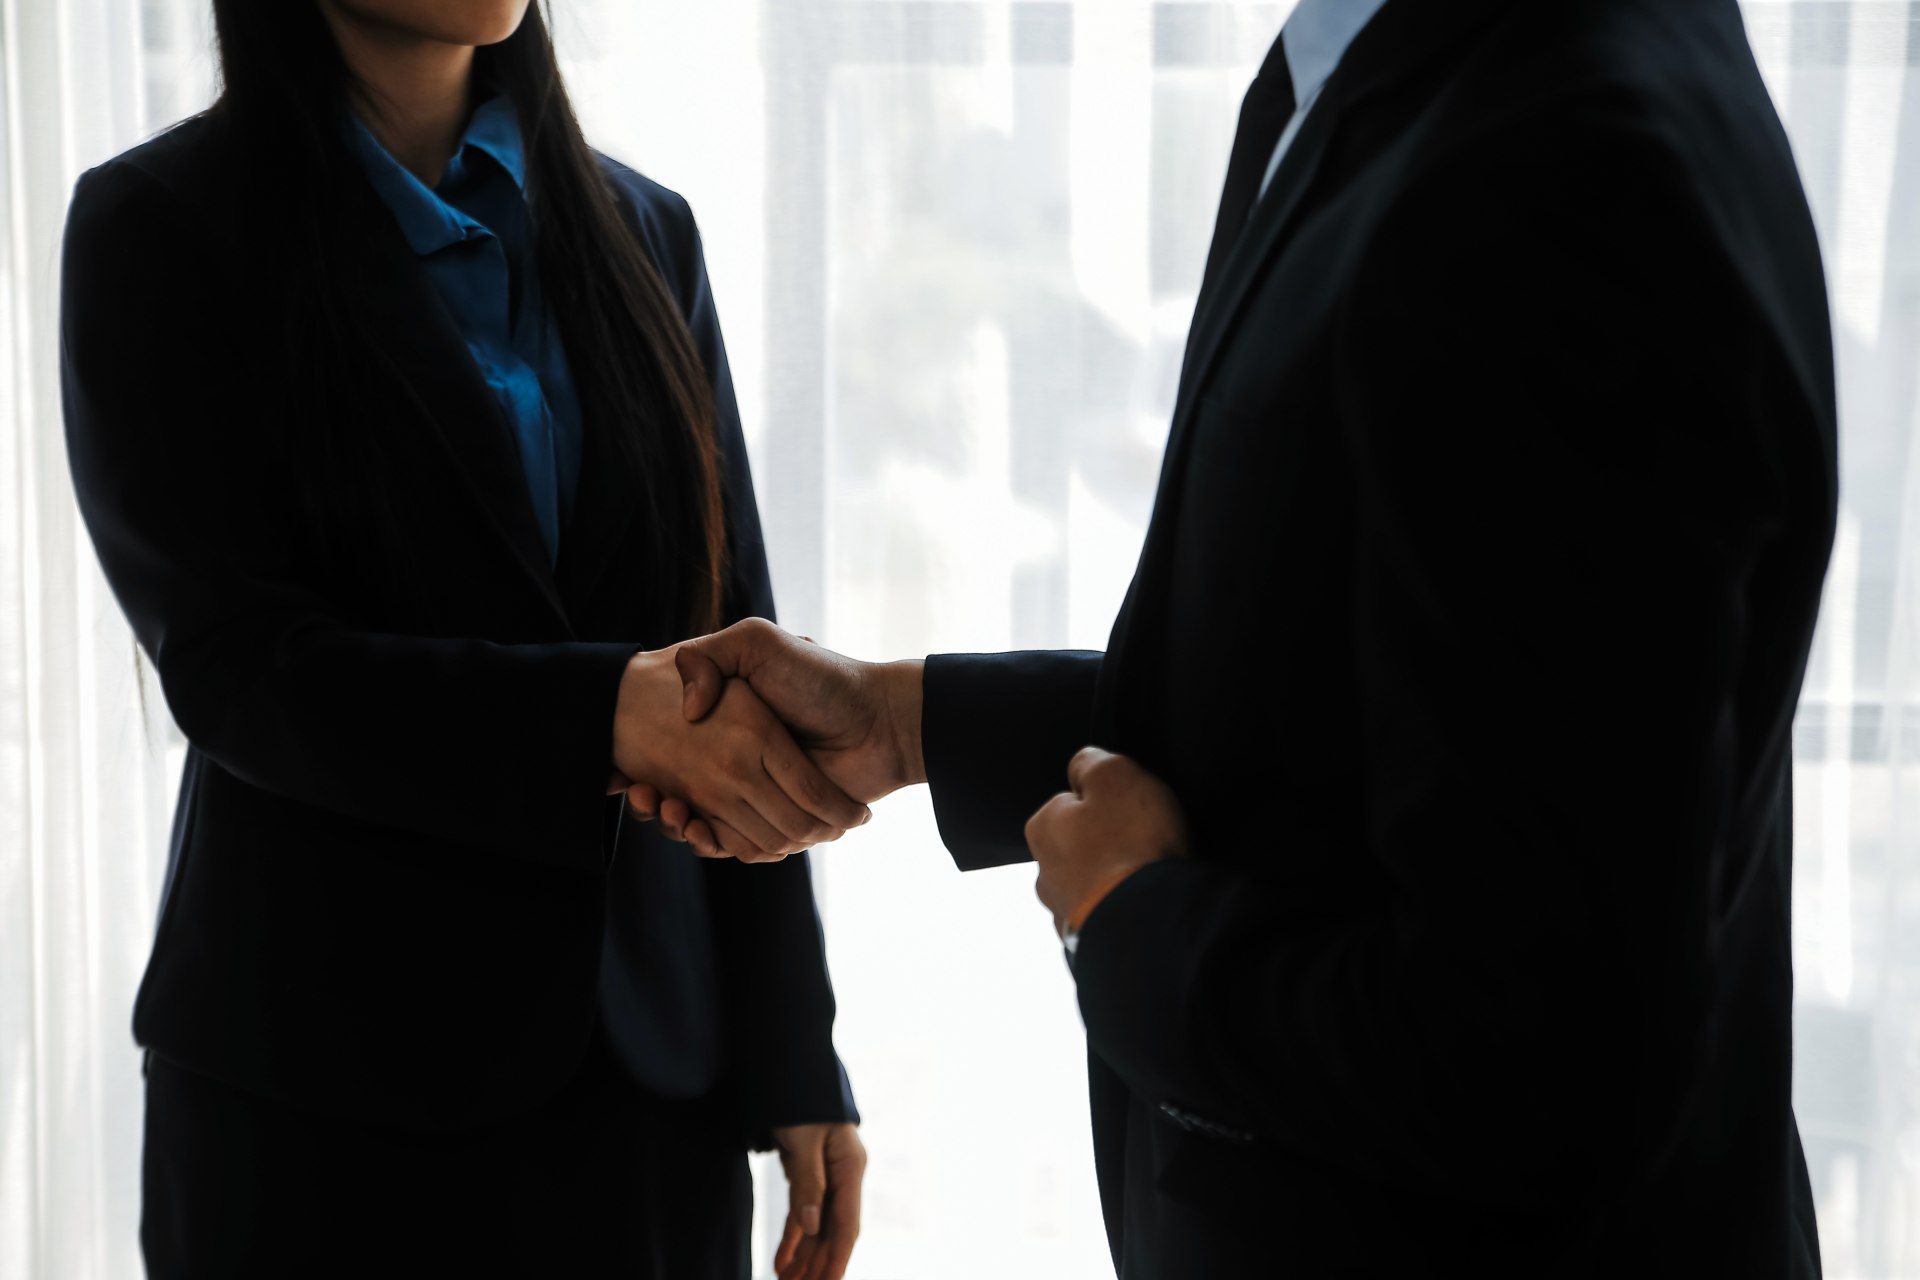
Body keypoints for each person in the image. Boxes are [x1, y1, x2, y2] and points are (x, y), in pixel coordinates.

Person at [636, 0, 1838, 1274]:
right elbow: (1386, 697)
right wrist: (913, 723)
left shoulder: (1562, 166)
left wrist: (1134, 925)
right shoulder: (1419, 76)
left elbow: (1541, 1055)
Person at [60, 2, 865, 1275]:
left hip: (648, 1087)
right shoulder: (164, 226)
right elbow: (241, 666)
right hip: (324, 1099)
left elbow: (729, 649)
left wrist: (791, 1046)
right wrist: (600, 713)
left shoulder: (647, 232)